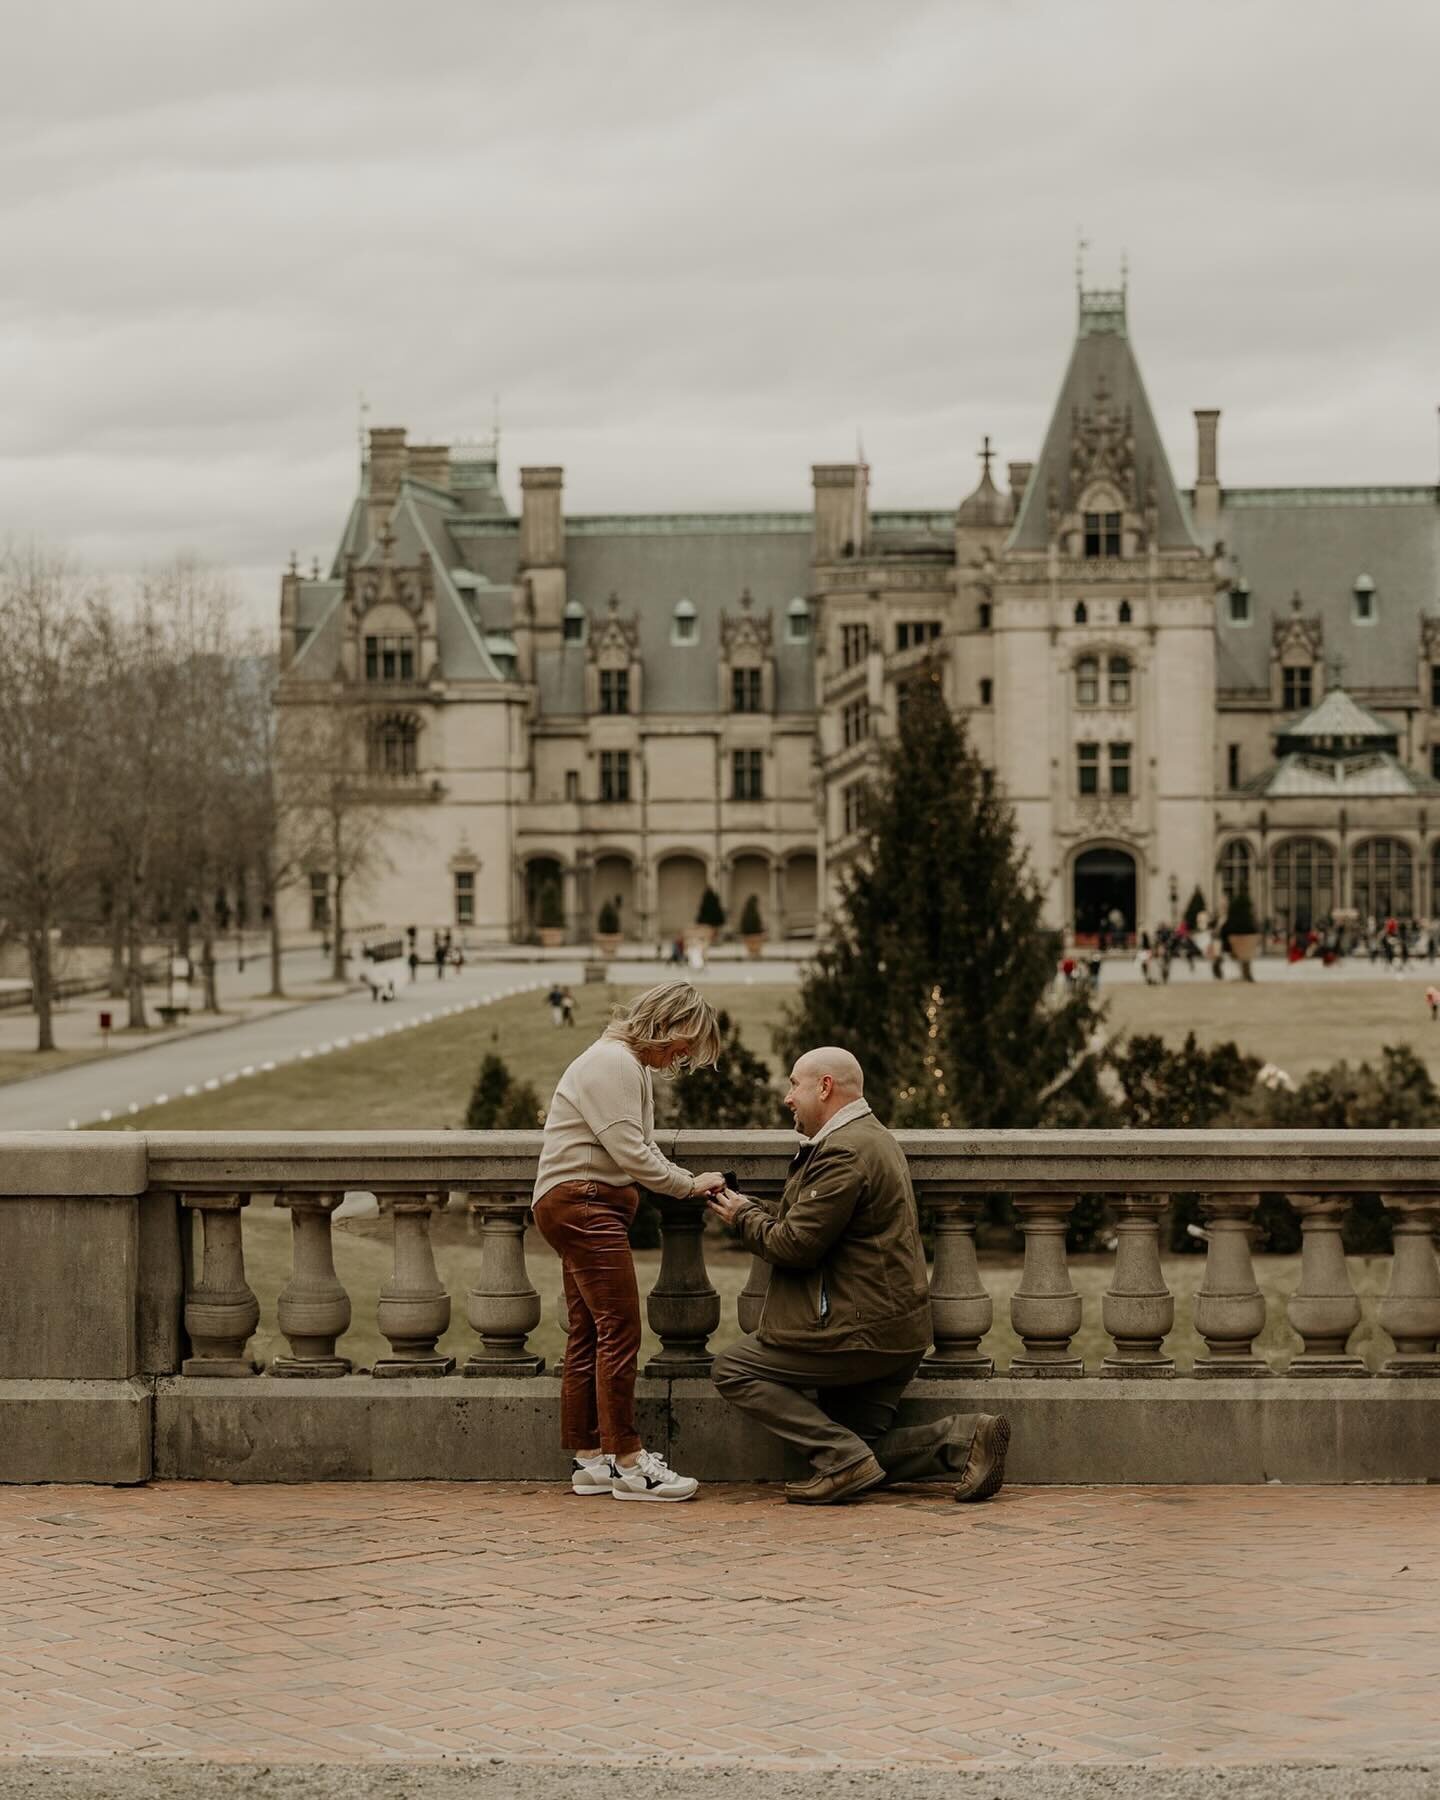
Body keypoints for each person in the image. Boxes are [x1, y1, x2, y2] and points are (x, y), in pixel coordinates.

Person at [709, 1048, 1009, 1507]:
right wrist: (751, 1208)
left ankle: (842, 1458)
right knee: (863, 1452)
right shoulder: (872, 1138)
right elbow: (814, 1225)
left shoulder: (843, 1150)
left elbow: (795, 1246)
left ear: (825, 1087)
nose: (788, 1097)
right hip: (893, 1331)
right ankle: (965, 1439)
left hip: (855, 1333)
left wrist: (743, 1216)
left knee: (733, 1368)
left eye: (794, 1085)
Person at [532, 981, 725, 1502]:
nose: (681, 1058)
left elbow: (633, 1147)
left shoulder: (620, 1062)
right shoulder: (615, 1062)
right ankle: (629, 1462)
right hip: (586, 1203)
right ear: (666, 1025)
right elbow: (633, 1153)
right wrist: (689, 1183)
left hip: (572, 1201)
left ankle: (591, 1457)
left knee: (590, 1332)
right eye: (684, 1045)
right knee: (619, 1330)